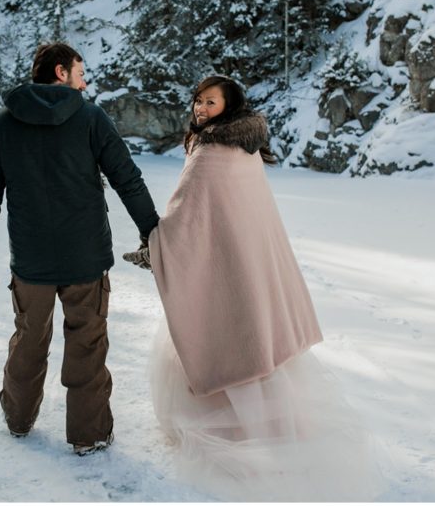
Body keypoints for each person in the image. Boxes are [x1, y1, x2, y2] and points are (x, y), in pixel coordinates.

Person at [124, 75, 384, 500]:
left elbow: (186, 212)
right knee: (253, 337)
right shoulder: (245, 148)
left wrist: (156, 245)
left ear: (229, 106)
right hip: (246, 264)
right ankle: (267, 426)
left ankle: (239, 433)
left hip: (225, 266)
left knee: (225, 337)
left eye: (210, 102)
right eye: (198, 101)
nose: (200, 108)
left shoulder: (211, 151)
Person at [0, 42, 159, 456]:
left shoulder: (0, 125)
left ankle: (18, 420)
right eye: (80, 72)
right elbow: (127, 178)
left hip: (31, 261)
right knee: (87, 343)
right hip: (86, 259)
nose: (84, 81)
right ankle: (88, 435)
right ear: (60, 73)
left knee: (29, 340)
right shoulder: (90, 118)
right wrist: (152, 233)